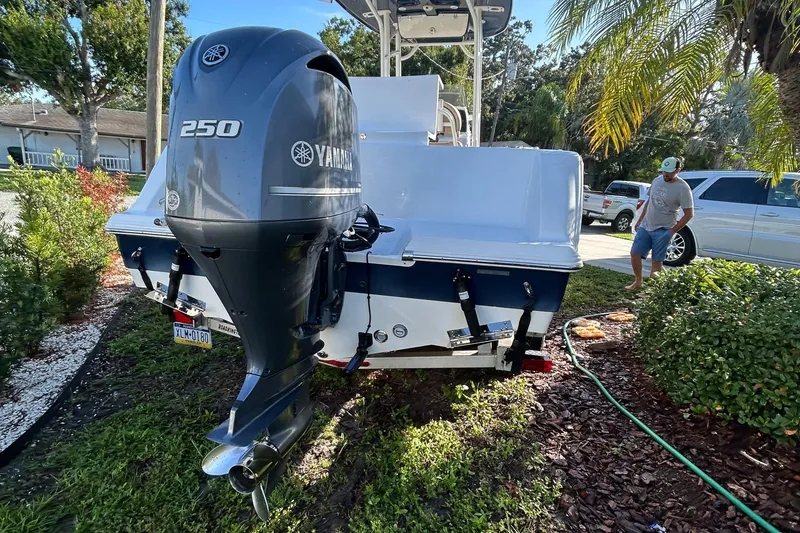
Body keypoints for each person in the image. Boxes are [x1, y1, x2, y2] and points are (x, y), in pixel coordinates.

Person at [625, 157, 694, 291]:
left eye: (669, 172)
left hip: (664, 229)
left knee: (656, 262)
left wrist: (672, 231)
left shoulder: (683, 188)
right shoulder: (657, 180)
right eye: (664, 171)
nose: (665, 174)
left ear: (677, 170)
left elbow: (689, 214)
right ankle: (638, 281)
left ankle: (652, 291)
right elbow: (649, 202)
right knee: (635, 253)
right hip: (646, 226)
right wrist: (640, 221)